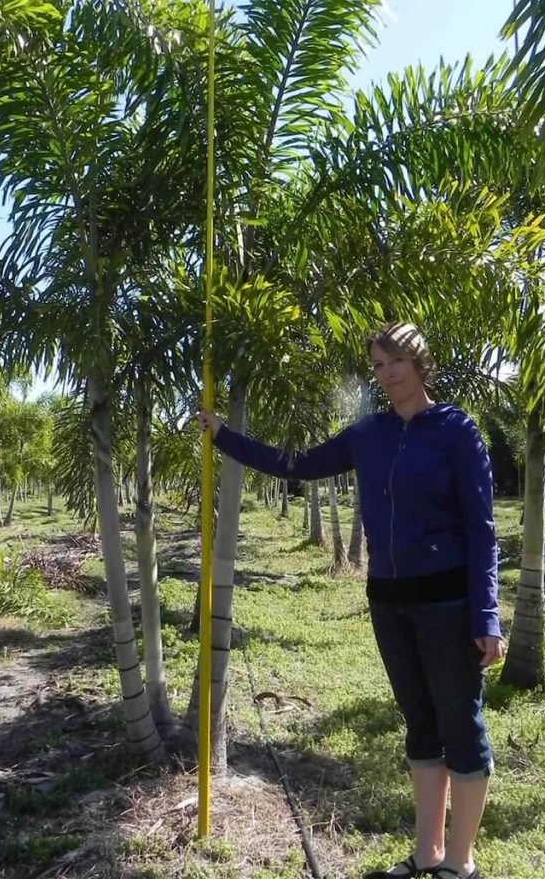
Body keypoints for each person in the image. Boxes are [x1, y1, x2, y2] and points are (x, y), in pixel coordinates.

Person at [197, 322, 502, 879]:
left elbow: (482, 531)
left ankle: (459, 863)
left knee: (461, 725)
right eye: (378, 366)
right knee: (419, 724)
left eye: (395, 362)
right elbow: (297, 464)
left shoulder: (457, 431)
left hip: (448, 604)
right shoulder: (369, 433)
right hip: (389, 602)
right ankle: (427, 853)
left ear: (419, 362)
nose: (386, 375)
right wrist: (224, 437)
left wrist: (487, 614)